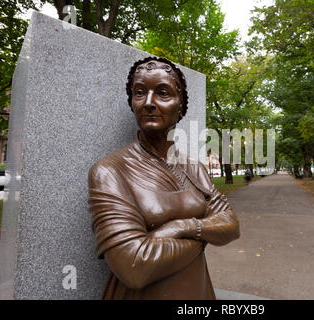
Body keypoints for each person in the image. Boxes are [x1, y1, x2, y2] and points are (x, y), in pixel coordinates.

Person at [88, 56, 240, 300]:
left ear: (181, 106)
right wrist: (206, 234)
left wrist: (181, 227)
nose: (148, 102)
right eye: (139, 93)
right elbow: (134, 266)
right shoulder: (110, 171)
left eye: (163, 93)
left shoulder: (195, 168)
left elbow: (231, 224)